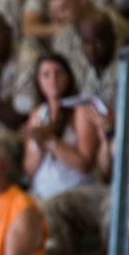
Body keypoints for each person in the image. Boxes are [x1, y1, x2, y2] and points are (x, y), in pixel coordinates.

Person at [22, 54, 99, 202]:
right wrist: (39, 145)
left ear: (68, 77)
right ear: (38, 81)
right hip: (41, 192)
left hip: (74, 191)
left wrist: (49, 140)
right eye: (46, 74)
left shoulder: (80, 110)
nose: (53, 79)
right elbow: (29, 170)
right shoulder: (37, 113)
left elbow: (84, 165)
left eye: (58, 73)